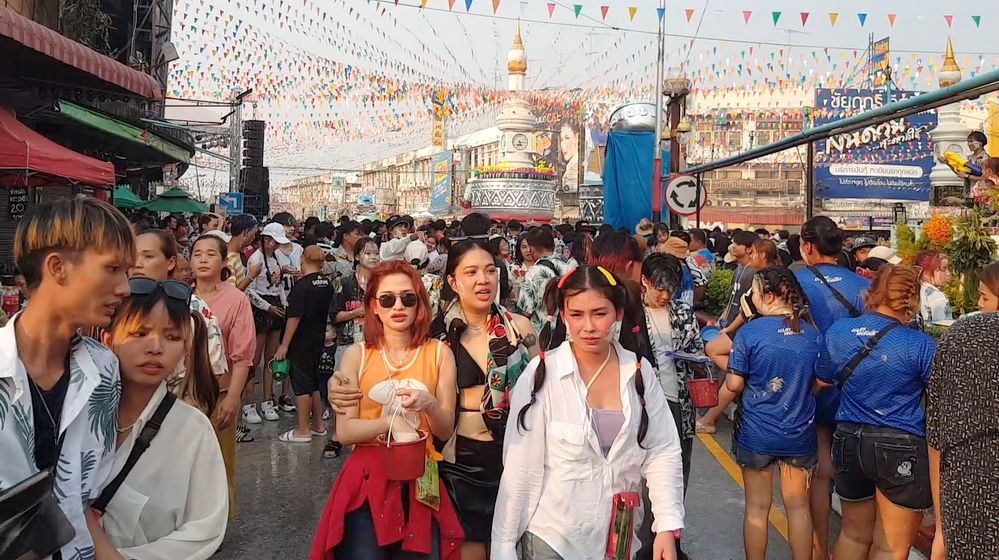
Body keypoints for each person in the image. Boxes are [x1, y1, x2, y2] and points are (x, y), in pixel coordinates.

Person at [492, 265, 684, 560]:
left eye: (599, 313)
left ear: (618, 313)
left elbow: (663, 451)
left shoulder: (639, 373)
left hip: (619, 539)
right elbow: (521, 469)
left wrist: (667, 527)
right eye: (577, 314)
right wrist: (504, 547)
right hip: (552, 541)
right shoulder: (542, 375)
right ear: (564, 315)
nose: (588, 326)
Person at [0, 198, 133, 558]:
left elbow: (82, 502)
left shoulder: (104, 369)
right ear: (57, 267)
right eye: (112, 268)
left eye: (126, 272)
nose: (125, 288)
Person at [311, 260, 461, 559]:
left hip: (421, 476)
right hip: (367, 479)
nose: (398, 306)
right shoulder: (357, 355)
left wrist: (430, 404)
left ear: (420, 304)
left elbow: (445, 429)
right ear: (374, 307)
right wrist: (389, 423)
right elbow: (345, 432)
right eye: (387, 299)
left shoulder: (439, 353)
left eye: (408, 298)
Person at [86, 279, 228, 559]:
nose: (155, 347)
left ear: (185, 348)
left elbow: (204, 530)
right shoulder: (77, 415)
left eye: (172, 337)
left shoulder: (193, 430)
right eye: (139, 333)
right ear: (108, 340)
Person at [815, 265, 935, 560]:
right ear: (911, 300)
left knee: (853, 535)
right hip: (901, 444)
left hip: (848, 440)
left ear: (872, 291)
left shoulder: (839, 331)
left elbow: (822, 380)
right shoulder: (921, 345)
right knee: (889, 546)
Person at [432, 238, 538, 559]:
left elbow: (543, 392)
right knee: (470, 549)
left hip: (513, 458)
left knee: (509, 547)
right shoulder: (437, 335)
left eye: (490, 270)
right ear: (453, 282)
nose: (484, 279)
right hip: (460, 462)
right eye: (472, 272)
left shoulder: (519, 328)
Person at [715, 267, 819, 560]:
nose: (752, 298)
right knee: (798, 507)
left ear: (769, 296)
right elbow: (819, 382)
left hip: (756, 432)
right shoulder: (812, 334)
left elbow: (734, 384)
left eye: (756, 292)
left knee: (757, 508)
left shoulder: (750, 333)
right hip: (799, 432)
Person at [794, 215, 870, 559]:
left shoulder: (795, 281)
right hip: (854, 385)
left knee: (820, 470)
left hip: (812, 382)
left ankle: (819, 548)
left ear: (808, 246)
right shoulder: (862, 286)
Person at [634, 253, 704, 560]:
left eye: (671, 289)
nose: (665, 295)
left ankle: (670, 540)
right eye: (659, 288)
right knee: (641, 475)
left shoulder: (683, 312)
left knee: (676, 472)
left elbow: (697, 348)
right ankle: (641, 544)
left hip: (679, 402)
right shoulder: (632, 313)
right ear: (644, 281)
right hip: (644, 404)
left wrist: (694, 359)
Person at [926, 311, 999, 559]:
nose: (979, 303)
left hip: (967, 498)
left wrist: (941, 526)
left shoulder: (962, 334)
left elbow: (936, 434)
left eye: (984, 296)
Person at [191, 234, 256, 510]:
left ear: (223, 262)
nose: (203, 259)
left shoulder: (235, 300)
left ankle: (218, 519)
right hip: (181, 394)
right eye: (197, 254)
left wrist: (233, 398)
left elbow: (243, 356)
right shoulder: (178, 295)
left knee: (219, 461)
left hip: (219, 392)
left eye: (210, 254)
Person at [129, 230, 228, 413]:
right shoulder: (115, 304)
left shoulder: (193, 308)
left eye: (148, 256)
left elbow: (212, 368)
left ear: (171, 262)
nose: (137, 264)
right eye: (132, 256)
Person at [274, 246, 335, 443]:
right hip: (318, 338)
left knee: (301, 384)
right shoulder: (326, 284)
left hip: (300, 341)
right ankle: (318, 425)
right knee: (314, 383)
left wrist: (284, 345)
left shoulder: (302, 286)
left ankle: (303, 429)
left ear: (303, 259)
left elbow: (294, 317)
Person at [245, 222, 291, 424]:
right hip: (261, 307)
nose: (276, 245)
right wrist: (267, 307)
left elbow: (278, 285)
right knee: (254, 360)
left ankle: (267, 400)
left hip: (275, 305)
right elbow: (249, 290)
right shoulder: (255, 259)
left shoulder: (276, 257)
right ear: (265, 239)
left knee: (271, 358)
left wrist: (283, 302)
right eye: (274, 241)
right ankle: (249, 404)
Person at [516, 227, 572, 332]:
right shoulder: (568, 268)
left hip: (541, 333)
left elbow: (525, 311)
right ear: (553, 245)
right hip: (566, 331)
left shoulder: (533, 272)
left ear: (531, 248)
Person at [405, 240, 444, 317]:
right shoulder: (436, 280)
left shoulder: (399, 281)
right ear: (427, 261)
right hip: (430, 322)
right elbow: (441, 306)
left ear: (405, 260)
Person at [915, 250, 953, 323]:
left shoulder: (915, 292)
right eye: (943, 269)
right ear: (926, 274)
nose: (948, 273)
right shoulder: (938, 298)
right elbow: (944, 327)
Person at [224, 215, 259, 291]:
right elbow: (231, 293)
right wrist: (251, 276)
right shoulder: (228, 259)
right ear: (246, 232)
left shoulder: (236, 253)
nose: (254, 237)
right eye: (254, 233)